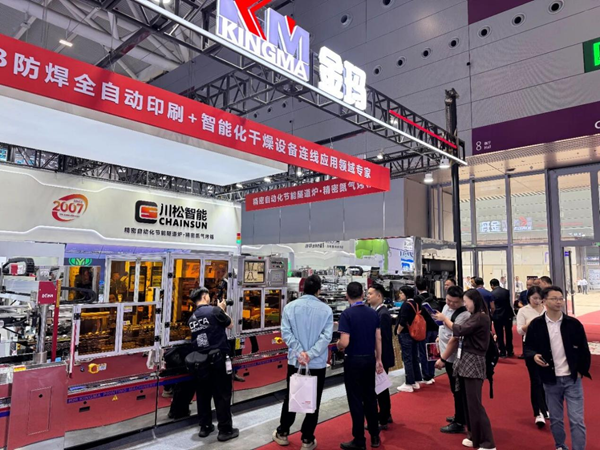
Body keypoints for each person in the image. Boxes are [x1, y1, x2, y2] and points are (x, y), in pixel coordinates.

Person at [525, 286, 591, 450]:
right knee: (555, 419)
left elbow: (584, 350)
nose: (558, 302)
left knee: (577, 420)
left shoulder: (573, 324)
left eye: (561, 298)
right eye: (554, 298)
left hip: (572, 379)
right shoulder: (536, 325)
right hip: (550, 379)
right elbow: (528, 347)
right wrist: (534, 356)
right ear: (544, 301)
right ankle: (560, 446)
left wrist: (581, 370)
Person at [273, 275, 333, 450]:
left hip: (296, 362)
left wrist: (300, 352)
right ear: (319, 290)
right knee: (313, 400)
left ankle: (283, 432)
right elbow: (326, 337)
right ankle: (307, 439)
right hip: (317, 363)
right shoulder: (326, 310)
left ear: (302, 289)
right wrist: (311, 354)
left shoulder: (290, 307)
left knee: (291, 397)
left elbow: (286, 333)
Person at [434, 290, 496, 450]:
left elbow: (459, 330)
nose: (465, 304)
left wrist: (444, 319)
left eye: (466, 301)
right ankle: (474, 436)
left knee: (475, 404)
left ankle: (488, 442)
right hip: (465, 360)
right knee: (468, 402)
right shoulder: (475, 316)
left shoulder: (481, 317)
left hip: (473, 361)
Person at [187, 287, 239, 442]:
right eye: (208, 295)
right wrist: (222, 309)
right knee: (222, 394)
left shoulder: (191, 319)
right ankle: (225, 430)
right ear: (204, 296)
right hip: (218, 359)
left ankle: (205, 427)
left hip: (200, 362)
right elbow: (230, 324)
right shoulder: (215, 311)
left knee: (203, 394)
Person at [337, 282, 384, 450]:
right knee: (370, 397)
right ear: (363, 295)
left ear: (347, 296)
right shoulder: (373, 313)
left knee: (355, 400)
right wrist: (379, 359)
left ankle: (359, 440)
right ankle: (375, 435)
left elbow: (344, 341)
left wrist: (338, 345)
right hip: (369, 359)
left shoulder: (346, 314)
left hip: (353, 360)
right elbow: (378, 338)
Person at [435, 285, 470, 435]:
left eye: (454, 302)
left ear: (462, 300)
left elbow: (456, 334)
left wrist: (443, 358)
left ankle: (460, 421)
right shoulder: (446, 307)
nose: (450, 304)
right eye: (448, 301)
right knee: (455, 390)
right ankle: (460, 415)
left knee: (458, 390)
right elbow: (445, 326)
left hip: (456, 356)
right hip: (447, 353)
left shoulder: (464, 313)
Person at [516, 286, 548, 427]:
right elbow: (519, 331)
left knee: (547, 379)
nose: (537, 301)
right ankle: (538, 412)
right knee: (536, 380)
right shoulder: (523, 311)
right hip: (531, 346)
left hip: (548, 346)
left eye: (539, 298)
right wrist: (530, 324)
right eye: (534, 298)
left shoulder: (547, 309)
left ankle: (546, 407)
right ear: (528, 297)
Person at [367, 284, 395, 429]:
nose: (368, 296)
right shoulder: (377, 312)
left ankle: (383, 418)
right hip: (380, 355)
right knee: (381, 387)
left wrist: (378, 359)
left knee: (380, 388)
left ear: (379, 296)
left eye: (370, 293)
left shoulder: (382, 314)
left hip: (381, 356)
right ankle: (385, 414)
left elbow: (382, 338)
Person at [395, 285, 423, 393]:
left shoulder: (406, 305)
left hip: (406, 333)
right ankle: (416, 379)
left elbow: (403, 321)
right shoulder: (416, 303)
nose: (400, 295)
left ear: (406, 294)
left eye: (401, 293)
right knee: (414, 357)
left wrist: (398, 331)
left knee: (407, 358)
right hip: (414, 333)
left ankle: (409, 382)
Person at [414, 276, 439, 384]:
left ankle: (426, 375)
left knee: (423, 352)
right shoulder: (433, 297)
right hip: (435, 327)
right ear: (427, 286)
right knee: (432, 351)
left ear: (416, 286)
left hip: (423, 329)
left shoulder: (416, 299)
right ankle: (431, 374)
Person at [490, 278, 514, 358]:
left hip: (497, 315)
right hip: (507, 314)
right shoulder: (506, 291)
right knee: (509, 333)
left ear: (492, 285)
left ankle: (502, 351)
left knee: (499, 334)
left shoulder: (492, 293)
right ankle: (510, 350)